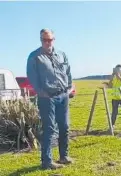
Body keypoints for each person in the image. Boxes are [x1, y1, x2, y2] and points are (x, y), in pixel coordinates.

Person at [26, 28, 73, 170]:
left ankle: (64, 156)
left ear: (54, 39)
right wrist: (41, 92)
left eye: (50, 39)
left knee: (64, 127)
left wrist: (69, 87)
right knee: (49, 129)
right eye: (44, 40)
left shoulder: (62, 55)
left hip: (63, 96)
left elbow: (68, 72)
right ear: (41, 40)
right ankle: (47, 162)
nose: (47, 42)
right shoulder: (34, 56)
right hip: (47, 98)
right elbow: (32, 76)